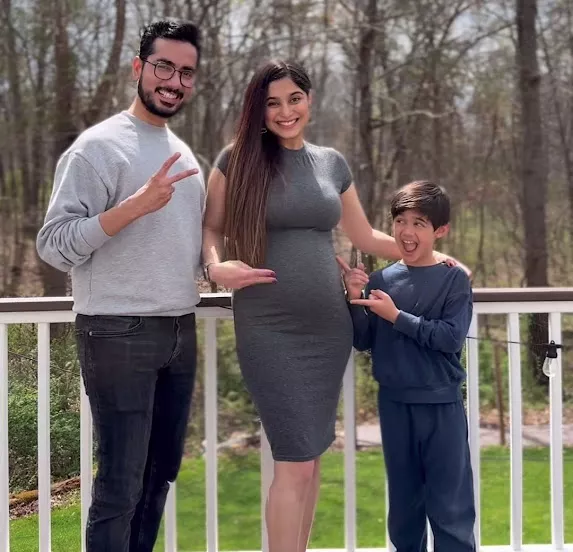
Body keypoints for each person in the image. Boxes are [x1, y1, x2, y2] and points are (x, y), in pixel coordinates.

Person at [201, 59, 469, 552]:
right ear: (258, 109)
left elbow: (364, 236)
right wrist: (216, 269)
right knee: (294, 459)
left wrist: (438, 257)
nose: (285, 111)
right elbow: (211, 229)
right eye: (273, 103)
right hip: (268, 326)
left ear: (309, 100)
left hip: (328, 327)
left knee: (311, 458)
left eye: (294, 99)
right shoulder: (235, 159)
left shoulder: (330, 163)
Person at [36, 19, 203, 552]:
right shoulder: (97, 148)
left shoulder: (185, 156)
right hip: (116, 331)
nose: (174, 81)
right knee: (121, 485)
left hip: (179, 329)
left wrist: (221, 267)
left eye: (186, 72)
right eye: (163, 67)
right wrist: (132, 207)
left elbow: (181, 247)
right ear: (138, 67)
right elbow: (53, 244)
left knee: (160, 476)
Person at [341, 180, 475, 552]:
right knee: (404, 508)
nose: (407, 231)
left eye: (419, 223)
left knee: (450, 507)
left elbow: (451, 338)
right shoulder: (381, 280)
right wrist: (354, 297)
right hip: (395, 405)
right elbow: (364, 340)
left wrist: (397, 316)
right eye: (400, 221)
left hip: (441, 405)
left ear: (440, 231)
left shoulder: (453, 279)